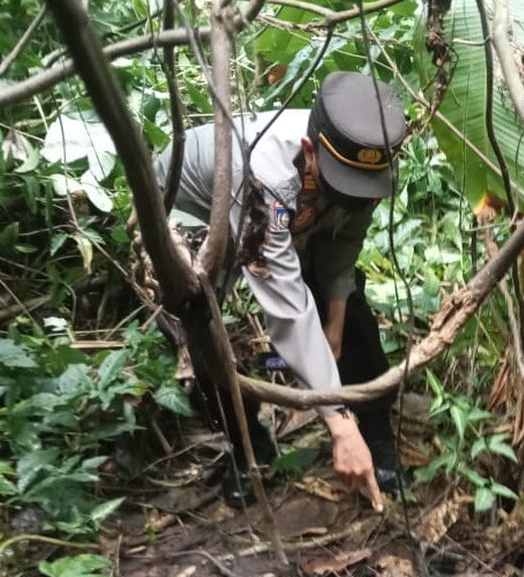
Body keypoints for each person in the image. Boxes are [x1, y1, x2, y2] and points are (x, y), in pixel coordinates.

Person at [152, 71, 408, 510]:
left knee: (350, 305)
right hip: (193, 205)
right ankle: (246, 444)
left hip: (296, 206)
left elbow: (342, 247)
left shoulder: (367, 163)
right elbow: (289, 313)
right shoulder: (259, 175)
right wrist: (337, 426)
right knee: (198, 329)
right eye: (345, 186)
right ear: (310, 152)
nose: (358, 198)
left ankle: (377, 436)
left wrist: (336, 322)